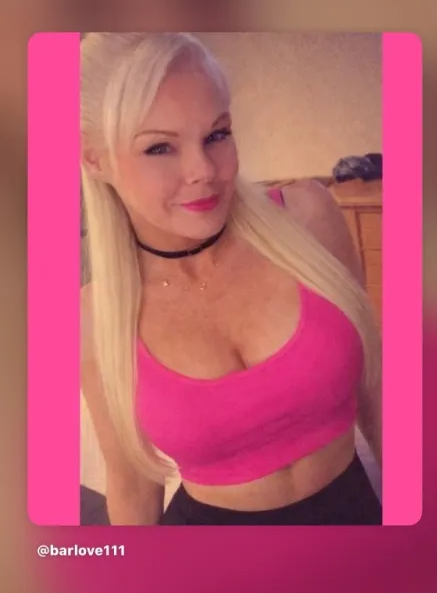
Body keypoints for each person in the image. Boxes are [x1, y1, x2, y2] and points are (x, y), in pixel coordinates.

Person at [81, 31, 382, 526]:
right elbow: (132, 485)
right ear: (94, 159)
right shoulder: (98, 315)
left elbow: (377, 387)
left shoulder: (306, 218)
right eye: (159, 147)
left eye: (217, 135)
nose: (203, 170)